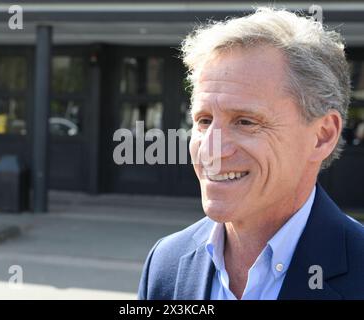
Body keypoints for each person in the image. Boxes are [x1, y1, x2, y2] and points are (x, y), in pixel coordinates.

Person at [138, 7, 364, 300]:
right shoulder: (166, 263)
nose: (210, 150)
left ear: (322, 136)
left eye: (245, 122)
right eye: (204, 120)